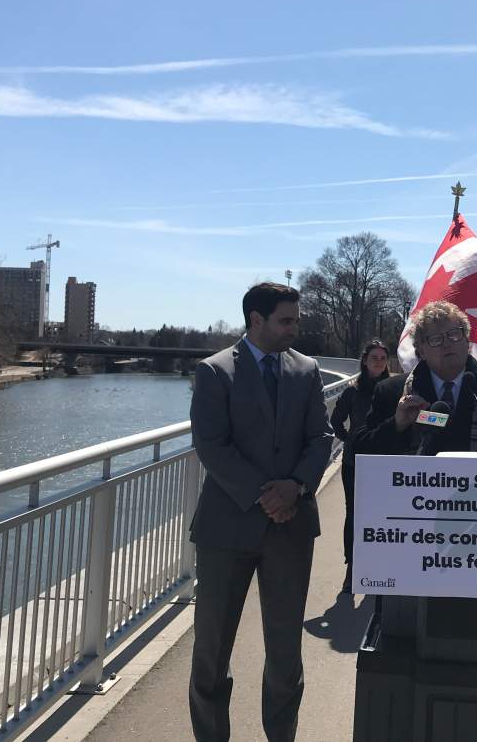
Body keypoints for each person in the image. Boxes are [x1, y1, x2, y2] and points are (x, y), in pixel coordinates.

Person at [187, 282, 333, 742]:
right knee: (212, 649)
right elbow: (211, 444)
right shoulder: (214, 372)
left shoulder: (307, 370)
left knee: (285, 651)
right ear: (256, 319)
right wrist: (265, 495)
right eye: (285, 320)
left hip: (291, 528)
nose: (294, 327)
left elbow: (321, 438)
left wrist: (294, 488)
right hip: (227, 527)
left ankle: (281, 736)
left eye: (295, 319)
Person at [356, 300, 477, 458]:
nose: (447, 343)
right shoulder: (391, 393)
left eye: (454, 334)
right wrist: (396, 425)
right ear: (421, 350)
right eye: (435, 339)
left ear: (467, 342)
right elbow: (358, 453)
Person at [329, 339, 391, 595]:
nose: (379, 361)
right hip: (356, 461)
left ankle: (379, 567)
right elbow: (335, 418)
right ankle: (352, 568)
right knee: (354, 514)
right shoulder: (353, 392)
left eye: (383, 358)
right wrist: (348, 439)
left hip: (385, 461)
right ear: (364, 361)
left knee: (384, 516)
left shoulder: (394, 390)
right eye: (374, 357)